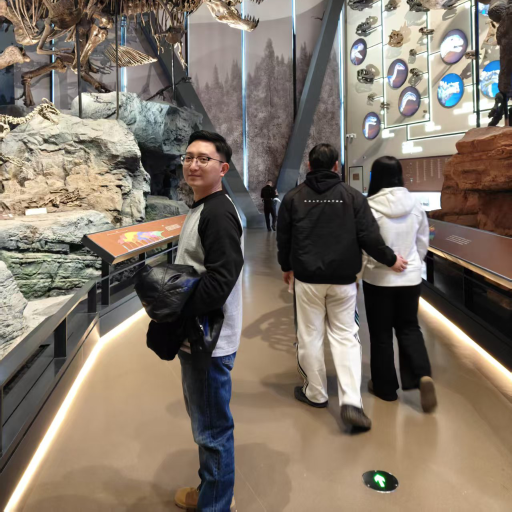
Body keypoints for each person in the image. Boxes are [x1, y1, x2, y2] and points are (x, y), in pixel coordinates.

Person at [276, 144, 408, 431]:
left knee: (309, 336)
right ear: (336, 165)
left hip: (307, 279)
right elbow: (370, 238)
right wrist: (391, 260)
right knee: (346, 336)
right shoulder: (352, 197)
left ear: (309, 165)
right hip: (344, 280)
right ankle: (351, 402)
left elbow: (283, 237)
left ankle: (315, 393)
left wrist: (286, 266)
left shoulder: (293, 198)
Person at [174, 131, 244, 512]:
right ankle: (211, 492)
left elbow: (220, 281)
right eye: (189, 157)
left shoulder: (218, 214)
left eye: (204, 159)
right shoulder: (202, 207)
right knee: (205, 425)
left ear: (223, 168)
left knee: (213, 432)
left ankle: (215, 505)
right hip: (200, 337)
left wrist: (176, 306)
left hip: (209, 341)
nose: (193, 164)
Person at [361, 156, 437, 413]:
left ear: (375, 177)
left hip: (378, 279)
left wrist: (364, 270)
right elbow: (423, 241)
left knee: (381, 334)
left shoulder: (369, 206)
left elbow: (367, 244)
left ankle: (385, 388)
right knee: (409, 327)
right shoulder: (415, 204)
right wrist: (412, 264)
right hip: (410, 278)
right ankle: (422, 374)